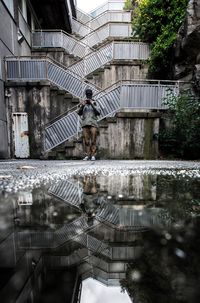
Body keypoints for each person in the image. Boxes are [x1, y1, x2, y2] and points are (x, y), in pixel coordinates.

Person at [77, 88, 101, 161]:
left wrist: (92, 104)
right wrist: (83, 105)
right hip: (85, 124)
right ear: (86, 95)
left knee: (93, 140)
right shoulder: (83, 103)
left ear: (91, 95)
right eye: (87, 94)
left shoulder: (95, 102)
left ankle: (93, 155)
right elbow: (78, 112)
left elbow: (98, 112)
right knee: (86, 141)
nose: (88, 96)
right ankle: (87, 155)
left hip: (93, 124)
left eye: (89, 94)